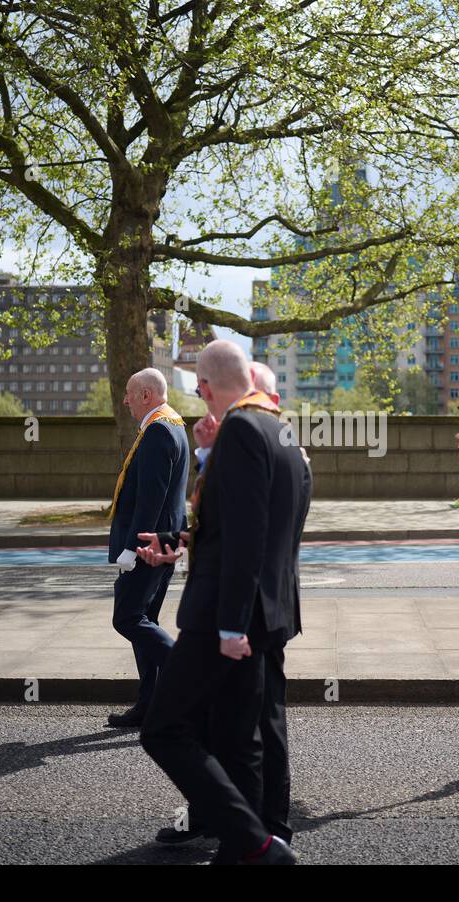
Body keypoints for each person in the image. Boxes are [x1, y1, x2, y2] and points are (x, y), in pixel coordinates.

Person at [139, 340, 311, 864]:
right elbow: (247, 524)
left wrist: (232, 624)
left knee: (166, 729)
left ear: (204, 387)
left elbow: (246, 536)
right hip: (266, 605)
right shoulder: (281, 431)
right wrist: (175, 545)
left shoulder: (239, 428)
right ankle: (250, 845)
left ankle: (255, 842)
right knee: (241, 736)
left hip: (225, 612)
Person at [105, 369, 189, 729]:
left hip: (149, 547)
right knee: (146, 620)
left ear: (146, 395)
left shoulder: (158, 431)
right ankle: (150, 705)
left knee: (126, 618)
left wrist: (132, 547)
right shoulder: (175, 425)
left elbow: (150, 499)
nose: (124, 400)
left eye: (128, 393)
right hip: (166, 540)